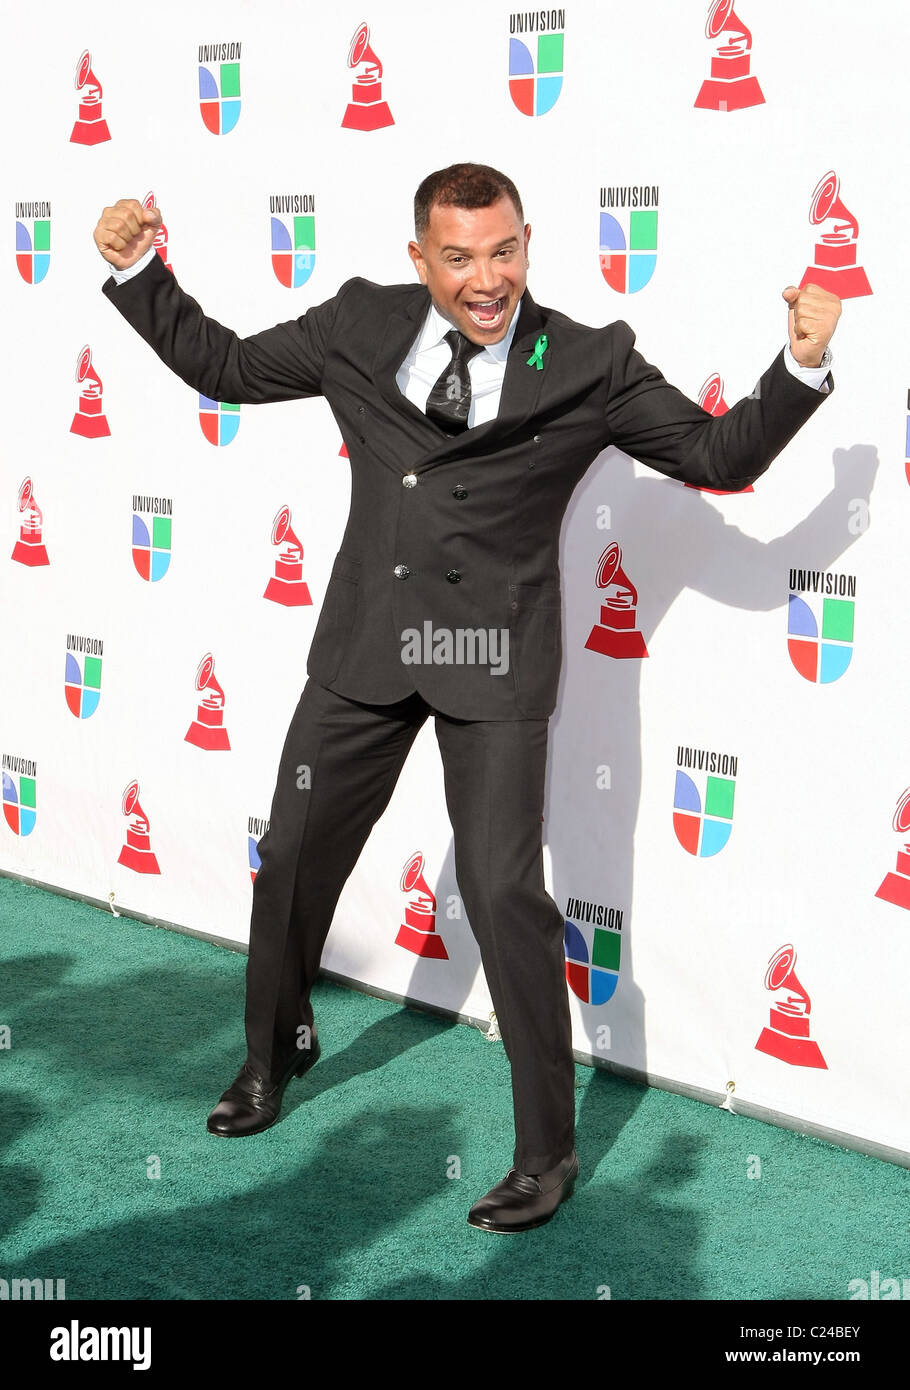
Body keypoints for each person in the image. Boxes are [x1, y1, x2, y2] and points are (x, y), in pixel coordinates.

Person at [93, 163, 840, 1233]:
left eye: (503, 252)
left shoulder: (589, 360)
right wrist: (137, 268)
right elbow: (224, 366)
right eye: (458, 257)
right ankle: (272, 1057)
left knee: (501, 892)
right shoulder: (359, 322)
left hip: (492, 656)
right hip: (362, 649)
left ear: (526, 242)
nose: (485, 279)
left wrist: (799, 366)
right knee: (294, 854)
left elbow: (715, 456)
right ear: (419, 259)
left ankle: (547, 1150)